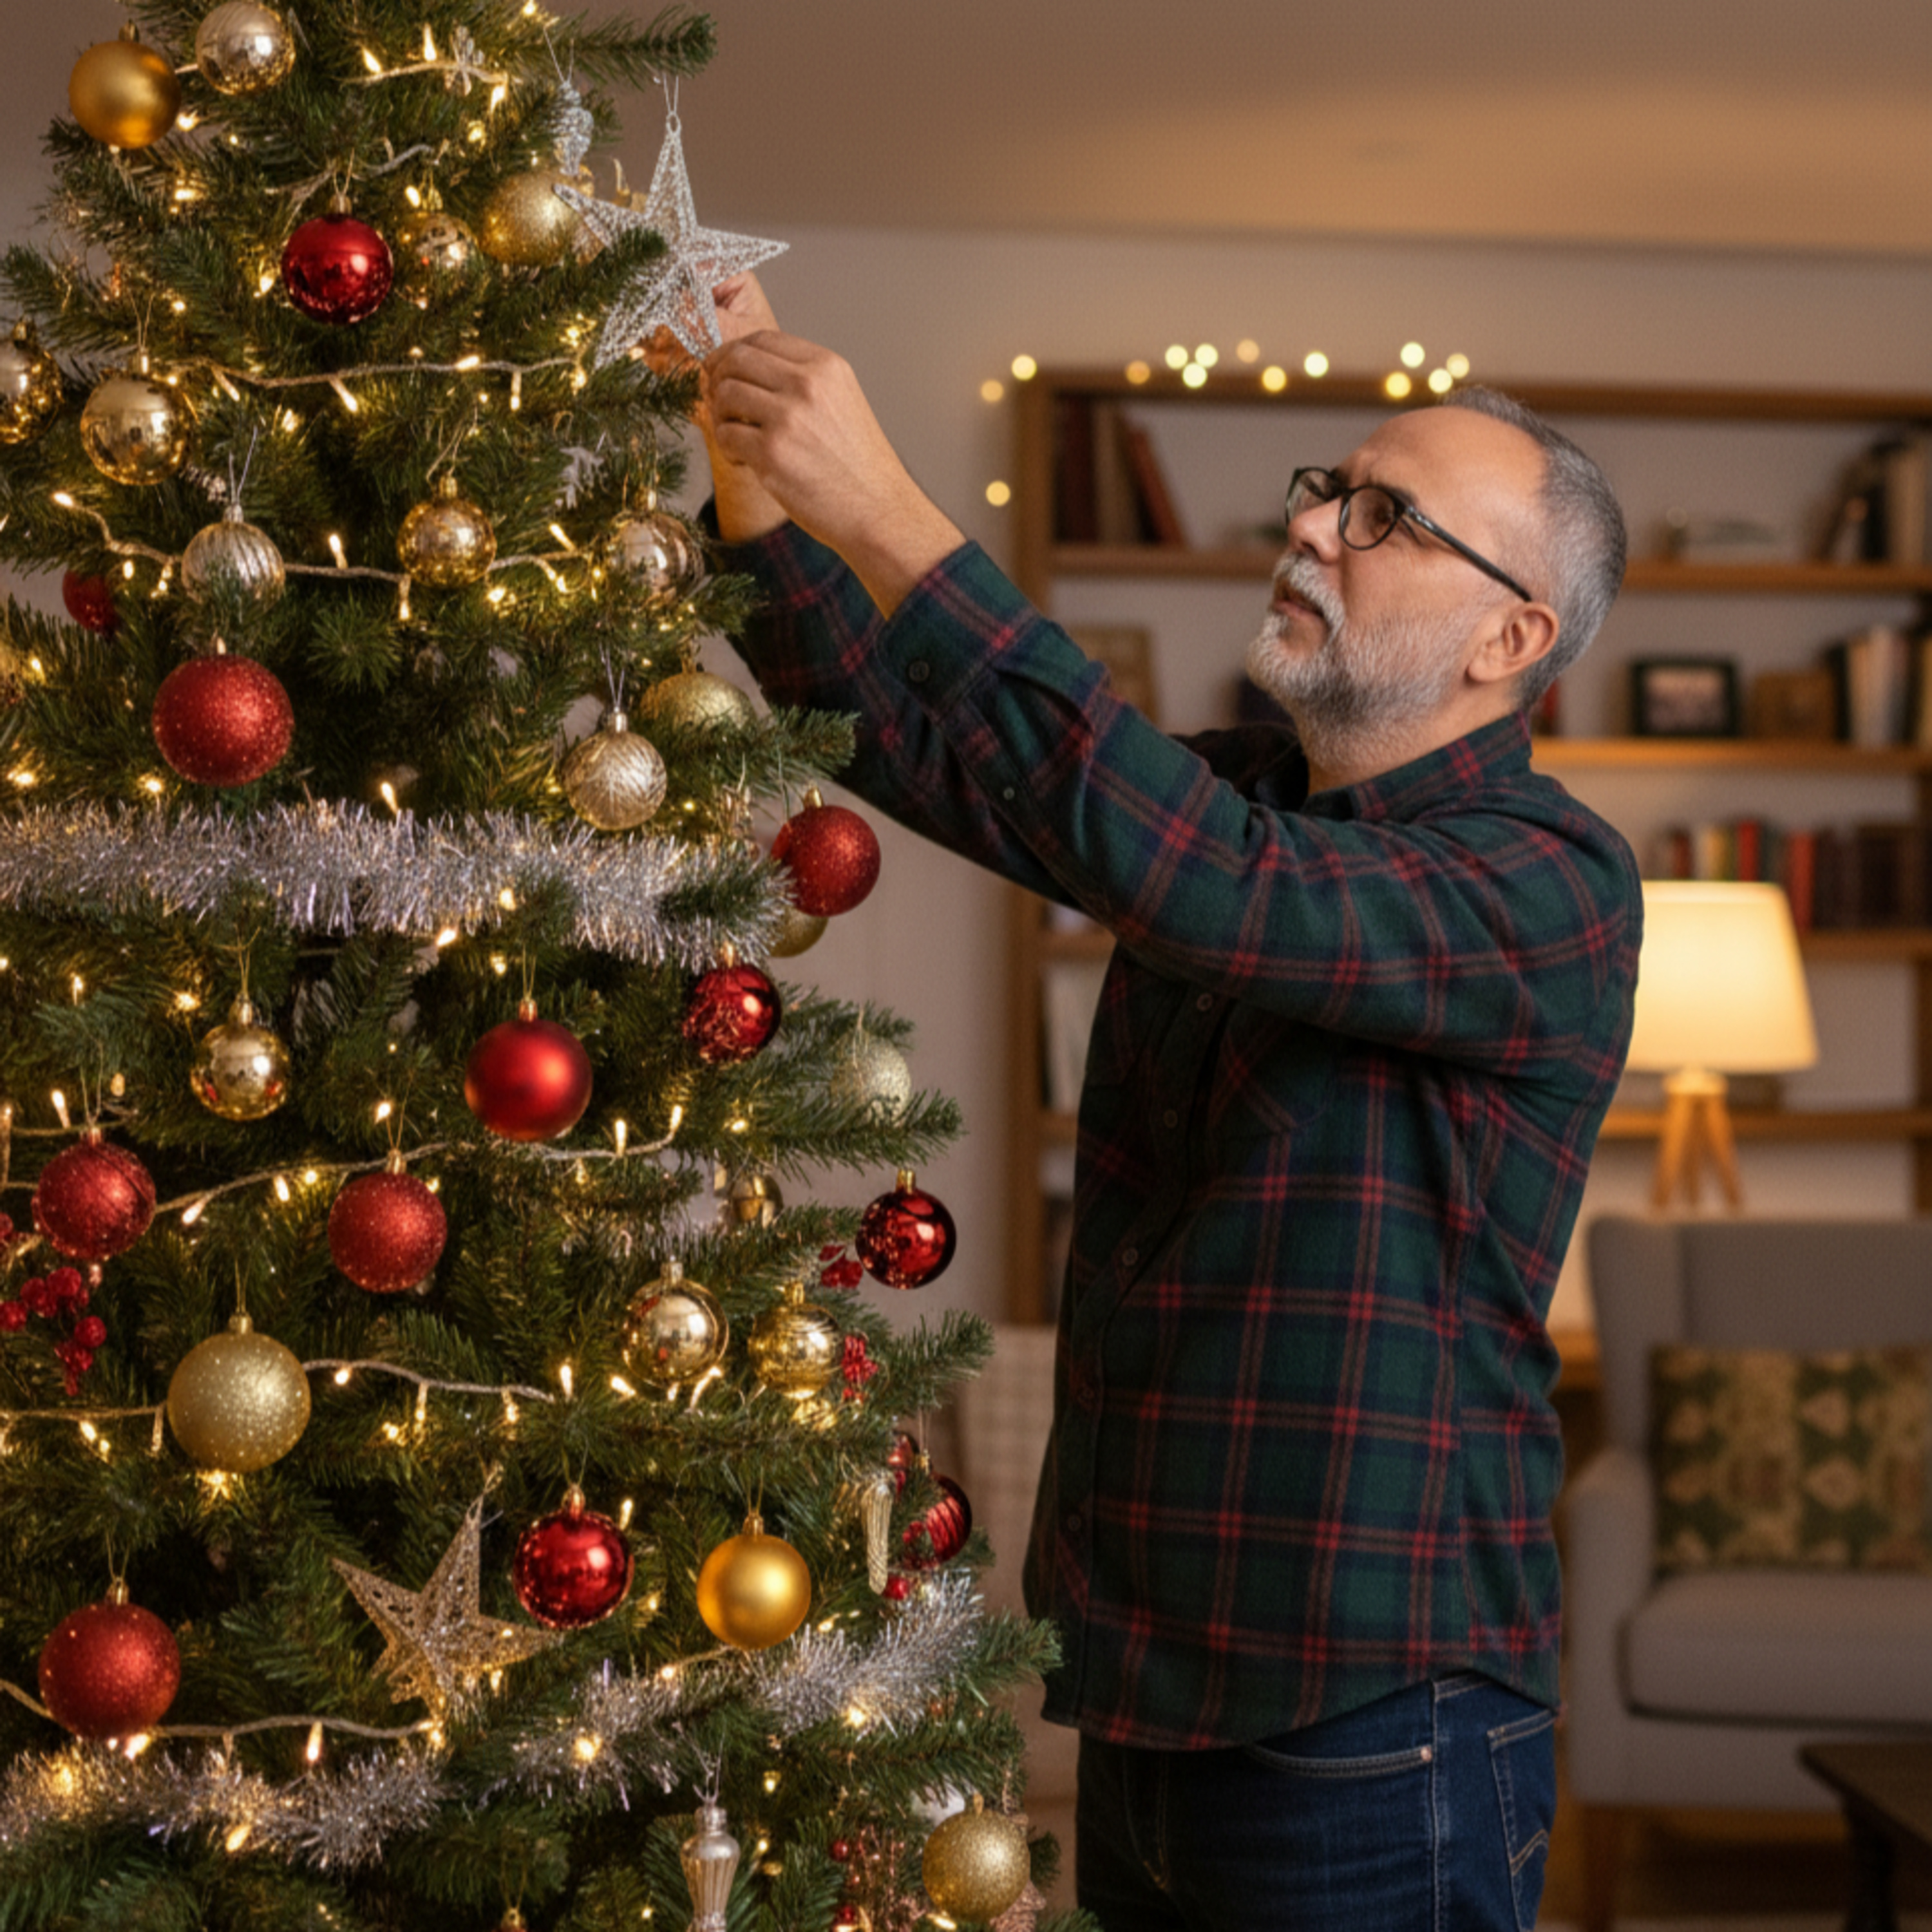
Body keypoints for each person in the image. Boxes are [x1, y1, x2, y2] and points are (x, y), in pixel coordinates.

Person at [692, 274, 1642, 1932]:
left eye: (1389, 517)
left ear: (1511, 639)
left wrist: (897, 514)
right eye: (1328, 491)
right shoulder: (1239, 792)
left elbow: (1226, 893)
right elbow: (898, 738)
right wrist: (754, 466)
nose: (1320, 530)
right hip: (1145, 1676)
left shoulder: (1550, 878)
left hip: (1373, 1711)